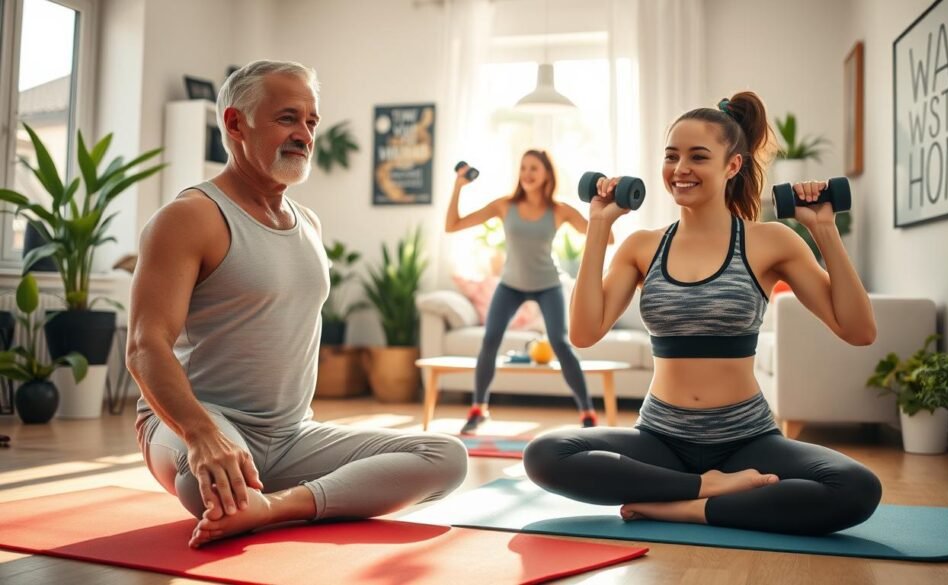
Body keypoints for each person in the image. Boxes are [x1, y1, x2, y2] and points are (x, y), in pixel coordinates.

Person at [127, 60, 467, 549]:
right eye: (287, 118)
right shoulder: (189, 217)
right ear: (235, 123)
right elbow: (144, 347)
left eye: (311, 121)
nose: (304, 134)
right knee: (209, 490)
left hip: (289, 436)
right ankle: (260, 494)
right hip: (195, 420)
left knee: (446, 457)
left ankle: (275, 506)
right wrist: (202, 435)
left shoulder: (307, 222)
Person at [522, 92, 882, 536]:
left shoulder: (770, 241)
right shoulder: (642, 246)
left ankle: (686, 507)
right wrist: (599, 225)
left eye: (698, 157)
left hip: (746, 440)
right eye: (672, 156)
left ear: (732, 166)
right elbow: (583, 333)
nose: (680, 169)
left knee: (857, 488)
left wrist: (823, 230)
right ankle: (705, 487)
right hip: (660, 439)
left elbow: (859, 330)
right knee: (544, 455)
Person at [445, 150, 612, 434]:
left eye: (534, 168)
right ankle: (478, 409)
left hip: (548, 284)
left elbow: (607, 238)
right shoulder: (504, 205)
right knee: (490, 340)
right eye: (523, 168)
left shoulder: (560, 210)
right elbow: (453, 226)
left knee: (560, 343)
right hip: (510, 285)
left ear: (547, 173)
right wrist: (458, 187)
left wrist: (602, 211)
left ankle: (587, 413)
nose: (527, 174)